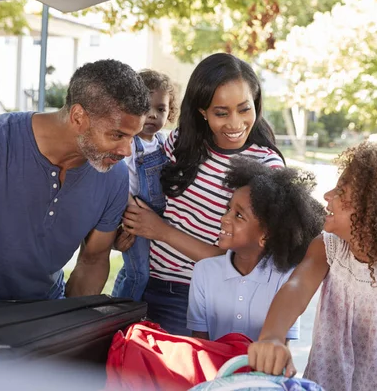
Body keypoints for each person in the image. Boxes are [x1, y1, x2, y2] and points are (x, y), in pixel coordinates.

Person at [0, 59, 150, 314]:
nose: (127, 151)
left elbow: (93, 260)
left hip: (40, 315)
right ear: (78, 117)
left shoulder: (114, 175)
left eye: (132, 137)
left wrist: (67, 323)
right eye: (117, 135)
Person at [247, 142, 377, 391]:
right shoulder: (327, 247)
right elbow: (296, 287)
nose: (328, 196)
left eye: (341, 192)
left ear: (373, 212)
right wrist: (272, 336)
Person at [121, 53, 284, 335]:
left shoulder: (266, 168)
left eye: (245, 109)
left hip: (194, 297)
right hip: (141, 283)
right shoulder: (179, 143)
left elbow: (238, 260)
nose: (235, 124)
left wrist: (161, 231)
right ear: (202, 111)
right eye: (221, 113)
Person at [187, 156, 326, 342]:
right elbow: (199, 343)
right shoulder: (204, 271)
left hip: (260, 372)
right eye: (228, 209)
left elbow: (280, 349)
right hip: (213, 369)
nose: (224, 219)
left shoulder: (286, 280)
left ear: (265, 235)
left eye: (238, 215)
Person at [112, 69, 178, 301]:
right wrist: (134, 213)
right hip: (136, 217)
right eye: (145, 107)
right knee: (139, 273)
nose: (152, 115)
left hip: (159, 219)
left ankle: (119, 303)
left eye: (160, 109)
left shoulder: (165, 142)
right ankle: (123, 314)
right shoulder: (128, 144)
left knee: (138, 269)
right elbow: (118, 183)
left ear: (170, 112)